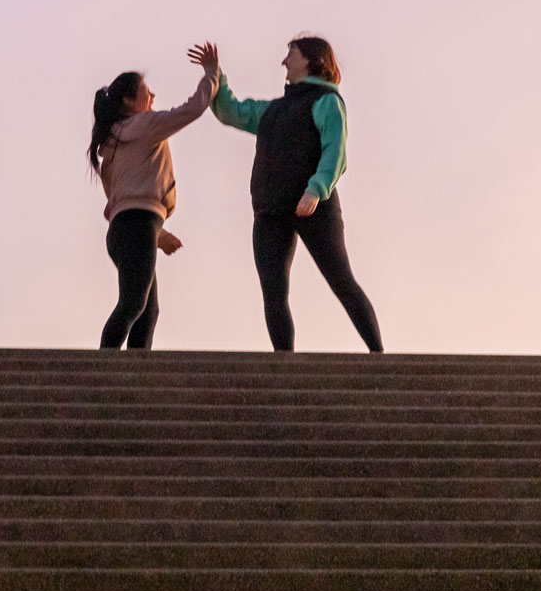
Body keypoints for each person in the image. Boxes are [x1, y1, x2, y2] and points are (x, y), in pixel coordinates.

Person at [213, 35, 383, 353]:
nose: (284, 61)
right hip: (270, 211)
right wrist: (215, 76)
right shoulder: (274, 111)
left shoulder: (327, 101)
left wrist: (316, 189)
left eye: (290, 53)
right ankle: (284, 365)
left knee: (341, 280)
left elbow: (335, 153)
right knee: (274, 291)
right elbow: (232, 112)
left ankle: (379, 355)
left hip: (314, 205)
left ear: (311, 60)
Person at [90, 43, 221, 349]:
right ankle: (102, 368)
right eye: (146, 93)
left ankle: (132, 378)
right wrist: (212, 74)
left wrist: (158, 234)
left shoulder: (111, 145)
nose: (152, 98)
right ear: (128, 100)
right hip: (138, 226)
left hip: (124, 230)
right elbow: (192, 109)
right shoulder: (146, 125)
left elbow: (122, 201)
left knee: (146, 310)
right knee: (135, 304)